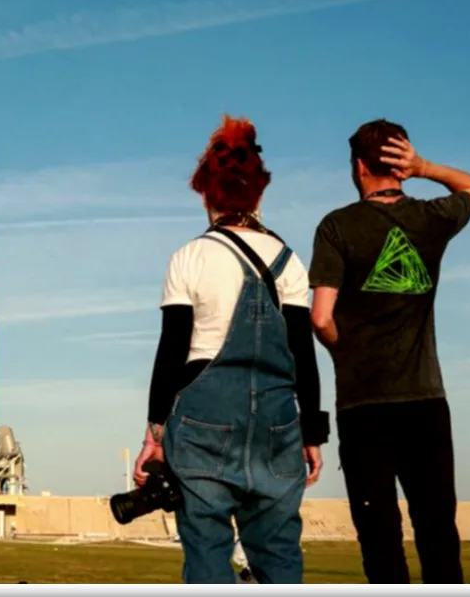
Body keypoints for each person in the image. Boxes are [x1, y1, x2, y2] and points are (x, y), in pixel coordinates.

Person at [134, 115, 330, 584]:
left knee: (206, 551)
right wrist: (313, 431)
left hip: (202, 421)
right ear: (260, 192)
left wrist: (154, 434)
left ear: (206, 192)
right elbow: (304, 353)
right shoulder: (290, 263)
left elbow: (172, 351)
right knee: (280, 553)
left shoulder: (190, 258)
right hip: (278, 421)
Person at [308, 120, 470, 585]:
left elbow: (321, 318)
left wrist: (345, 354)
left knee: (380, 538)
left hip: (364, 406)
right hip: (424, 401)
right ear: (398, 166)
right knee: (437, 533)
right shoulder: (431, 218)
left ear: (358, 166)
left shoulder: (337, 226)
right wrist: (423, 167)